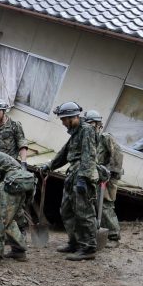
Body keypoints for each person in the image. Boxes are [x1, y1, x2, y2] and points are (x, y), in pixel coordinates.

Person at [40, 101, 99, 260]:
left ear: (71, 117)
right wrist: (50, 166)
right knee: (66, 210)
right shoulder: (75, 132)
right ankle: (74, 242)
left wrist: (83, 178)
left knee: (84, 213)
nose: (63, 123)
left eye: (63, 120)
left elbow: (89, 155)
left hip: (82, 175)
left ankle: (88, 248)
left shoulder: (87, 130)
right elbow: (64, 153)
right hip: (73, 173)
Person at [85, 110, 123, 243]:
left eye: (91, 124)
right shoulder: (91, 141)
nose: (89, 127)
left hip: (109, 178)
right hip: (98, 178)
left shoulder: (105, 137)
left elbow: (117, 154)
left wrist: (110, 172)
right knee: (98, 205)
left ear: (97, 124)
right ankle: (102, 234)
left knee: (106, 205)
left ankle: (114, 236)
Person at [0, 99, 28, 167]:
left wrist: (23, 163)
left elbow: (22, 145)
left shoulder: (14, 126)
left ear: (4, 111)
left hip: (8, 167)